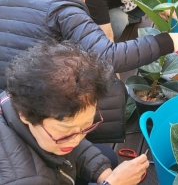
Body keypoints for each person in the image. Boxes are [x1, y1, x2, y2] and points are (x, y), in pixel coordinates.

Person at [0, 0, 178, 142]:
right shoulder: (62, 6)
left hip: (9, 111)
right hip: (46, 118)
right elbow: (108, 56)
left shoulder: (7, 0)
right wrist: (168, 41)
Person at [0, 40, 149, 184]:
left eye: (86, 125)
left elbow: (73, 141)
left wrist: (105, 174)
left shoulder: (19, 96)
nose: (77, 139)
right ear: (25, 115)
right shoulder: (24, 179)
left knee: (107, 157)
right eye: (66, 131)